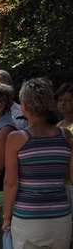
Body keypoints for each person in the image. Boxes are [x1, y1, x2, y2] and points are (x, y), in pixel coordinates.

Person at [3, 78, 73, 249]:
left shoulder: (16, 139)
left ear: (24, 106)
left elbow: (11, 183)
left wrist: (6, 218)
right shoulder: (65, 135)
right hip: (61, 219)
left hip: (28, 218)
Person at [55, 83, 73, 231]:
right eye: (60, 100)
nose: (63, 103)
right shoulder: (58, 125)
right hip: (57, 184)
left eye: (67, 100)